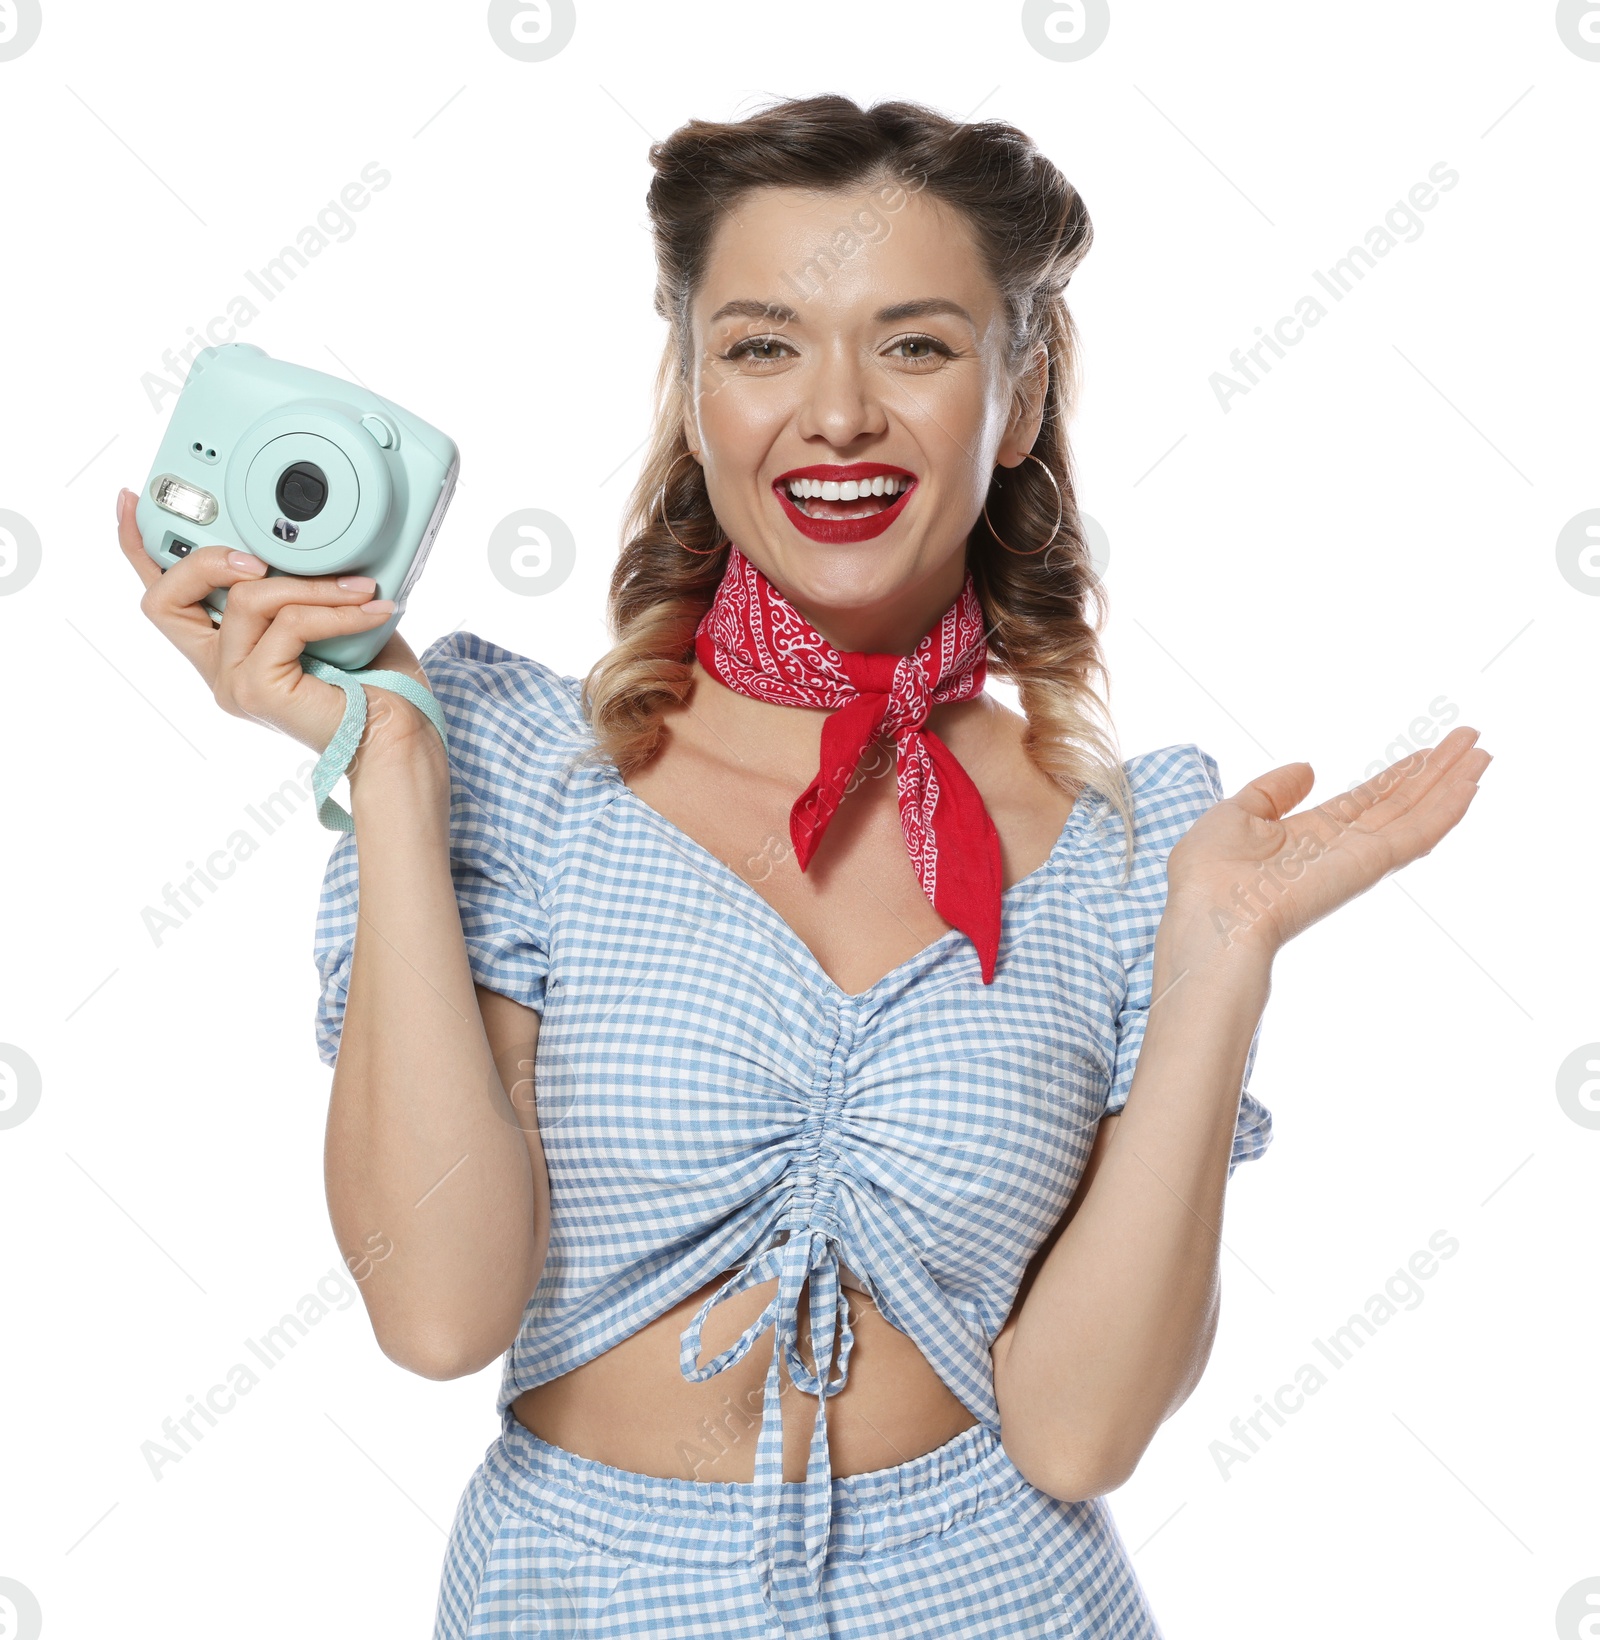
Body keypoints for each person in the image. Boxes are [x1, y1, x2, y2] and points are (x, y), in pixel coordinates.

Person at [116, 94, 1489, 1640]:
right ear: (695, 394)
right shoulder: (514, 776)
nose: (836, 413)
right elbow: (437, 1311)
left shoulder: (1130, 852)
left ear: (1021, 392)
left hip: (1003, 1597)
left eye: (915, 345)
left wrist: (1222, 955)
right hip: (578, 1597)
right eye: (764, 344)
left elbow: (1079, 1432)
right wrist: (388, 766)